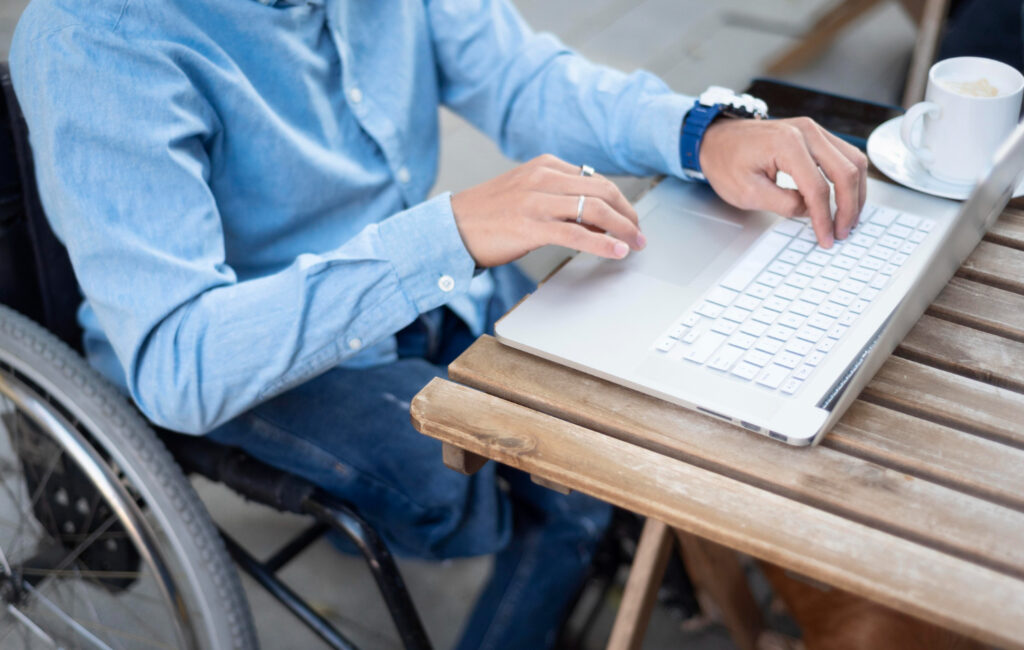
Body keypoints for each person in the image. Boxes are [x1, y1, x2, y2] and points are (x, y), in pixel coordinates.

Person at [10, 0, 866, 648]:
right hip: (244, 347)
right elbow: (180, 359)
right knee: (498, 489)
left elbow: (520, 78)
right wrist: (447, 235)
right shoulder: (95, 37)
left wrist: (701, 132)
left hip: (421, 277)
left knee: (603, 433)